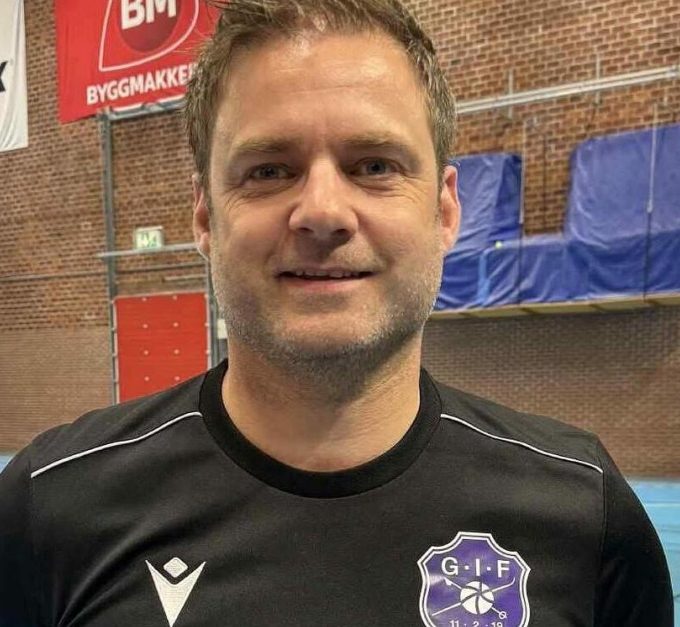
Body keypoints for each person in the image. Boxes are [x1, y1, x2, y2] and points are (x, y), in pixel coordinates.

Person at [0, 0, 673, 625]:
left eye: (374, 165)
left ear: (444, 210)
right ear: (204, 216)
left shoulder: (584, 515)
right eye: (269, 170)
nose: (322, 211)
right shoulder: (51, 509)